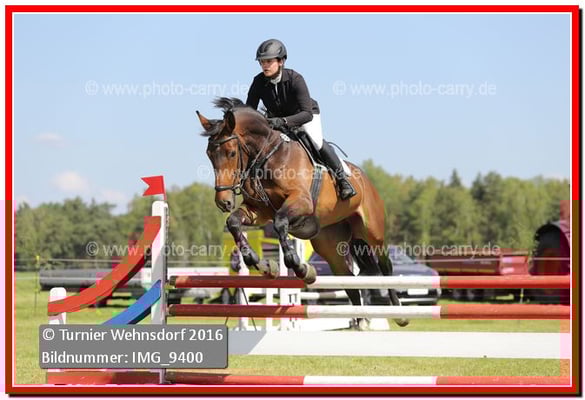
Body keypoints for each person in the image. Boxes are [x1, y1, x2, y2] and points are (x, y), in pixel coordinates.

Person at [245, 39, 356, 200]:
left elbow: (307, 114)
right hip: (277, 121)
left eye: (269, 61)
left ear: (281, 61)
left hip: (305, 116)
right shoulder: (258, 82)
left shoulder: (295, 79)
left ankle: (343, 180)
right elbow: (249, 111)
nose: (265, 65)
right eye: (262, 62)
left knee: (316, 141)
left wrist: (283, 121)